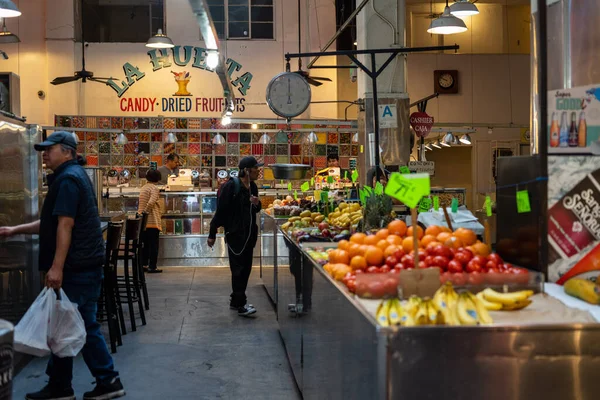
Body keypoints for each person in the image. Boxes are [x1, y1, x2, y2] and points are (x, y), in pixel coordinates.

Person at [0, 131, 125, 400]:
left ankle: (108, 380)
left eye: (50, 148)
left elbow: (65, 226)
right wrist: (14, 230)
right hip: (83, 265)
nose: (44, 153)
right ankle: (61, 386)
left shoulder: (68, 180)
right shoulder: (72, 177)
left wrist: (56, 267)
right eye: (43, 149)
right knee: (65, 323)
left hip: (77, 268)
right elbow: (53, 223)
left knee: (81, 323)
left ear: (67, 151)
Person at [207, 156, 263, 317]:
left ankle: (235, 299)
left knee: (246, 269)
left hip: (250, 234)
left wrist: (256, 203)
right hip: (235, 234)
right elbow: (221, 211)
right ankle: (241, 304)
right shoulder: (231, 186)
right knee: (238, 269)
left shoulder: (253, 186)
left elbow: (256, 209)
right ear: (246, 170)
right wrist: (212, 233)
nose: (258, 171)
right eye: (256, 168)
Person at [139, 169, 163, 274]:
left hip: (142, 222)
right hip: (152, 220)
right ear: (157, 179)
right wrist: (146, 212)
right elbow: (152, 201)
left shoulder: (144, 187)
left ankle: (144, 264)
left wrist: (142, 214)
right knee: (154, 245)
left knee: (145, 244)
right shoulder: (154, 188)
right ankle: (152, 266)